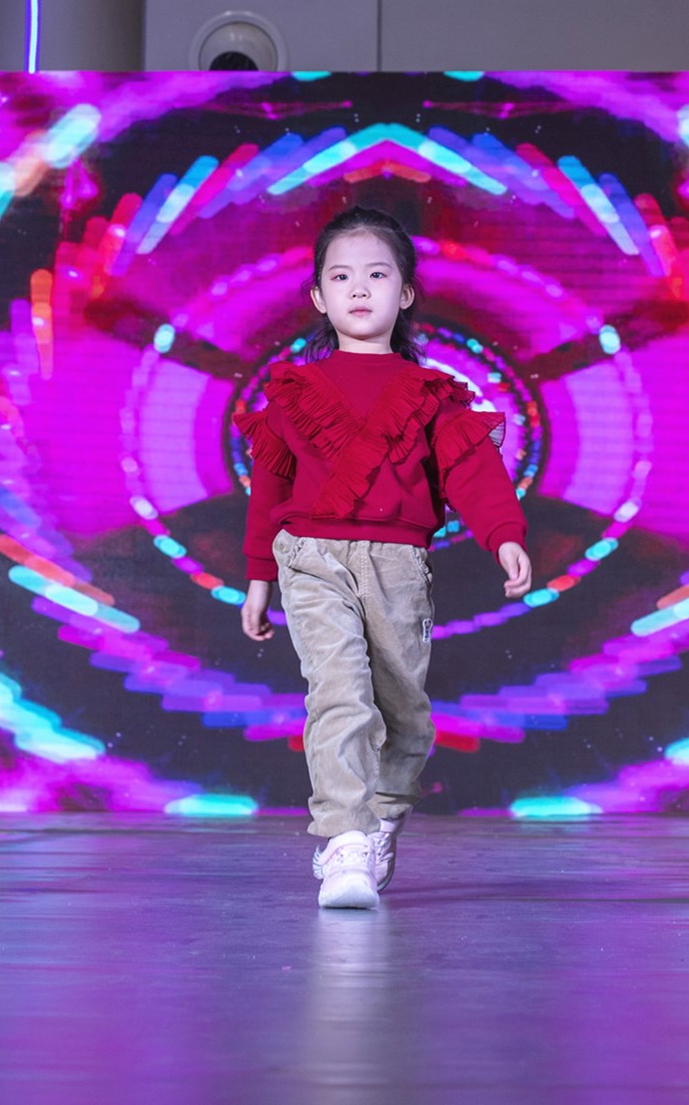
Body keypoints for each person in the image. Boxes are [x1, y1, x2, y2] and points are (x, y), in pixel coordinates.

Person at [236, 206, 532, 909]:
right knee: (338, 695)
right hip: (311, 558)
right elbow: (269, 489)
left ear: (405, 293)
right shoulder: (294, 391)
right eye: (341, 277)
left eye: (377, 274)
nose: (359, 288)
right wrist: (258, 578)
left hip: (398, 565)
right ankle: (343, 841)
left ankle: (381, 817)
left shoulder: (432, 395)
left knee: (404, 716)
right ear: (318, 297)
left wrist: (504, 534)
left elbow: (472, 474)